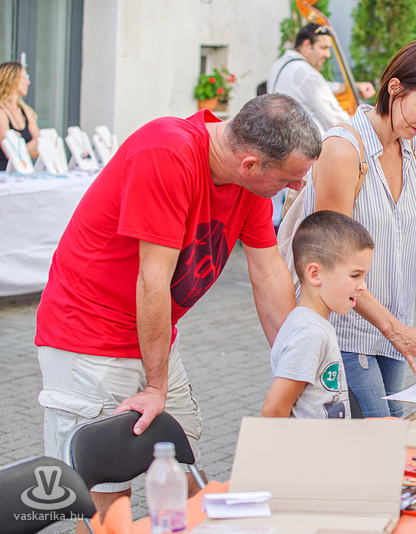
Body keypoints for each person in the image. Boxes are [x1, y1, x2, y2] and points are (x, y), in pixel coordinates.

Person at [35, 94, 321, 529]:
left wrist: (296, 370)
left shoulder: (248, 181)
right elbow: (151, 280)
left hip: (152, 337)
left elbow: (269, 274)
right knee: (108, 506)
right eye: (290, 179)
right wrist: (156, 386)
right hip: (88, 341)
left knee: (188, 480)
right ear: (250, 164)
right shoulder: (166, 153)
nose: (297, 187)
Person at [301, 40, 416, 418]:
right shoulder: (343, 149)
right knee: (380, 436)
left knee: (388, 439)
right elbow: (331, 263)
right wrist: (394, 329)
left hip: (396, 330)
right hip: (345, 330)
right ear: (395, 87)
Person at [261, 211, 373, 419]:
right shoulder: (310, 333)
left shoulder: (311, 325)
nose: (363, 286)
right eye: (355, 275)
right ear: (315, 274)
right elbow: (273, 411)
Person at [268, 23, 375, 135]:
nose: (328, 54)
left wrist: (353, 86)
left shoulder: (279, 64)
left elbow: (318, 87)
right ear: (307, 45)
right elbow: (336, 119)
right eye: (323, 48)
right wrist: (363, 127)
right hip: (308, 143)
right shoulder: (306, 73)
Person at [0, 61, 39, 169]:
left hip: (22, 171)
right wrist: (33, 144)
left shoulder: (25, 110)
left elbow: (39, 147)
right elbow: (9, 154)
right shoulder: (1, 112)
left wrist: (19, 150)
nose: (28, 82)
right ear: (12, 80)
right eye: (25, 77)